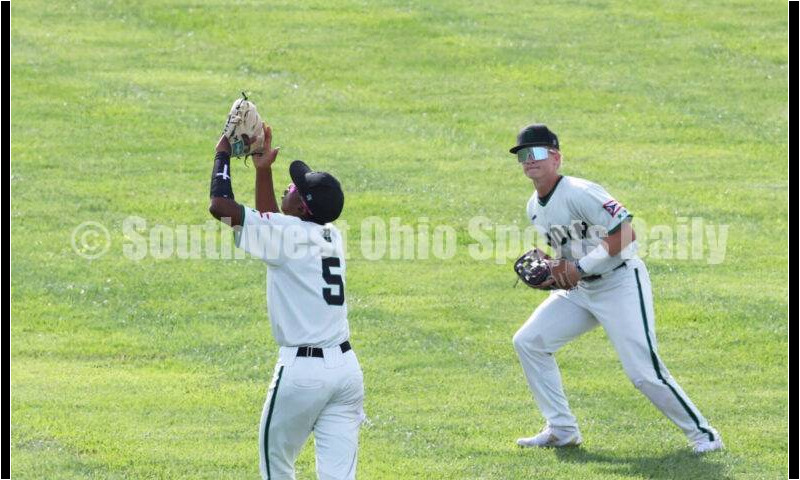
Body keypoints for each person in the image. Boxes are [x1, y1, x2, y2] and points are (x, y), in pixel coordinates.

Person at [509, 124, 723, 454]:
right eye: (523, 155)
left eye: (536, 153)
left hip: (620, 283)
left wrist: (577, 268)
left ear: (556, 158)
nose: (528, 160)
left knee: (643, 372)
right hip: (580, 291)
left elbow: (625, 235)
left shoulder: (581, 191)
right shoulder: (533, 206)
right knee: (529, 341)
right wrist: (554, 269)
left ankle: (704, 435)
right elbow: (571, 253)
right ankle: (561, 429)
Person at [208, 123, 365, 479]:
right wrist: (263, 171)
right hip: (346, 374)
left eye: (295, 188)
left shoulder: (288, 236)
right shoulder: (330, 235)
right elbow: (272, 223)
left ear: (304, 208)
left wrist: (222, 153)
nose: (289, 186)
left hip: (302, 375)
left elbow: (220, 206)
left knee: (276, 467)